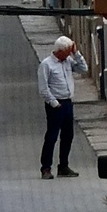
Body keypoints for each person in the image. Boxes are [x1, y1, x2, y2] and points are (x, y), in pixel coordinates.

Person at [38, 33, 86, 179]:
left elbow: (83, 68)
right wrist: (54, 103)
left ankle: (63, 166)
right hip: (56, 104)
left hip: (67, 102)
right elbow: (43, 88)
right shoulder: (46, 65)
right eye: (67, 52)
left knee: (68, 135)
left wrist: (76, 54)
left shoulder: (68, 61)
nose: (68, 55)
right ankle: (46, 167)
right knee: (52, 136)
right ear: (59, 51)